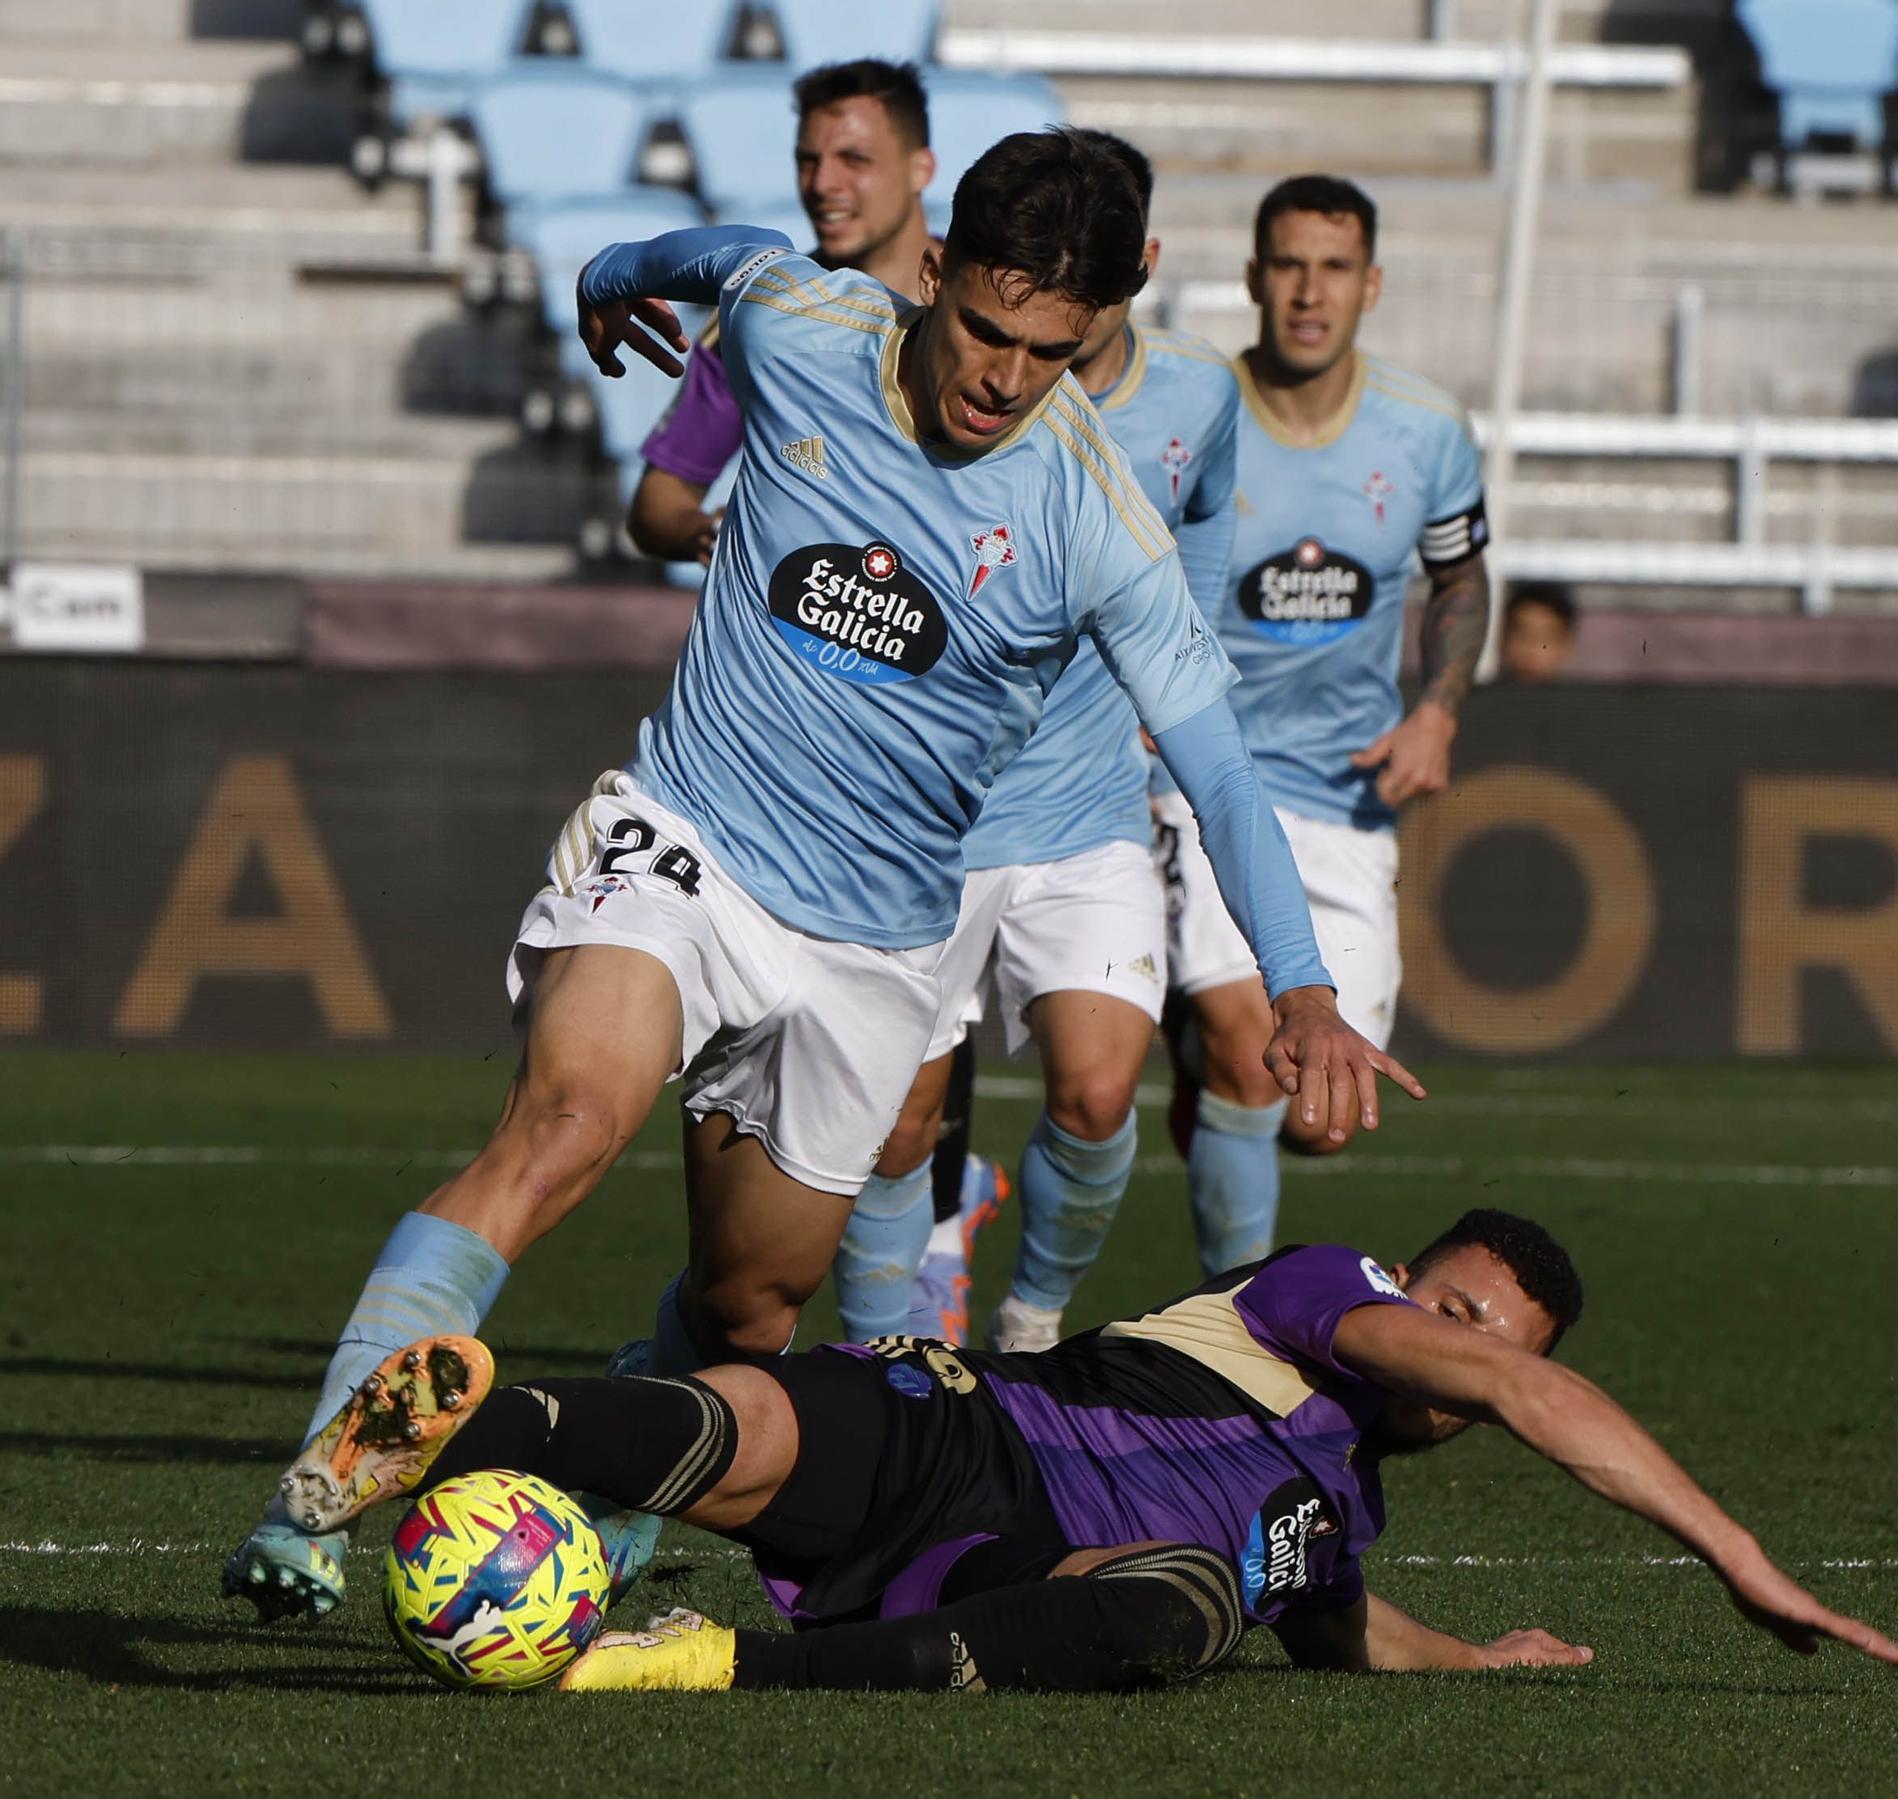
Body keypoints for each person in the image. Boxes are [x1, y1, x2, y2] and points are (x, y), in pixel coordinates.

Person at [222, 130, 1419, 1623]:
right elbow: (710, 255)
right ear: (932, 272)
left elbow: (1223, 769)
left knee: (749, 1303)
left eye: (1050, 351)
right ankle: (318, 1484)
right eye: (986, 325)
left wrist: (1301, 985)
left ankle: (602, 1490)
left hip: (871, 947)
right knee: (568, 1118)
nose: (1002, 376)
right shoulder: (805, 329)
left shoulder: (1096, 523)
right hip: (690, 837)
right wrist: (606, 284)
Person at [283, 1208, 1898, 1694]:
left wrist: (1480, 1655)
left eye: (1502, 1344)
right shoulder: (1321, 1291)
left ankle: (691, 1661)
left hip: (1005, 1577)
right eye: (1464, 1313)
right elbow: (1551, 1408)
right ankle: (407, 1447)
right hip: (962, 1432)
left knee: (1195, 1601)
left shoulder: (1333, 1515)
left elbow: (1342, 1627)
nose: (1474, 1354)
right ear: (1418, 1284)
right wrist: (1744, 1562)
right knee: (750, 1411)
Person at [838, 129, 1240, 1356]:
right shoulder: (916, 375)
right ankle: (880, 1369)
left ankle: (1027, 1322)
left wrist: (1179, 659)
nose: (1016, 368)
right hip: (927, 825)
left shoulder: (1192, 395)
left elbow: (1208, 510)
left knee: (1100, 1088)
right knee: (895, 1129)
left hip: (1084, 813)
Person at [1155, 174, 1491, 1277]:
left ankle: (1194, 1064)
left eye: (1333, 268)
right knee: (1251, 1063)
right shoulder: (1187, 411)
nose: (1309, 292)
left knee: (1318, 1113)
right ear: (1253, 278)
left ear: (1370, 284)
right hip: (1202, 778)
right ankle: (1232, 1344)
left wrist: (1437, 708)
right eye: (1288, 266)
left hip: (1346, 797)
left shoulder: (1428, 430)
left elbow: (1458, 580)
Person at [626, 58, 937, 566]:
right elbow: (657, 505)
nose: (821, 183)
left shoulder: (985, 307)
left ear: (920, 168)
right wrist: (704, 533)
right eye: (807, 160)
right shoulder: (764, 310)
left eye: (854, 159)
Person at [1498, 580, 1578, 682]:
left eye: (1545, 640)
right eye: (1523, 636)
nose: (1531, 650)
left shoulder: (1578, 697)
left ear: (1566, 644)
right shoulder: (1479, 695)